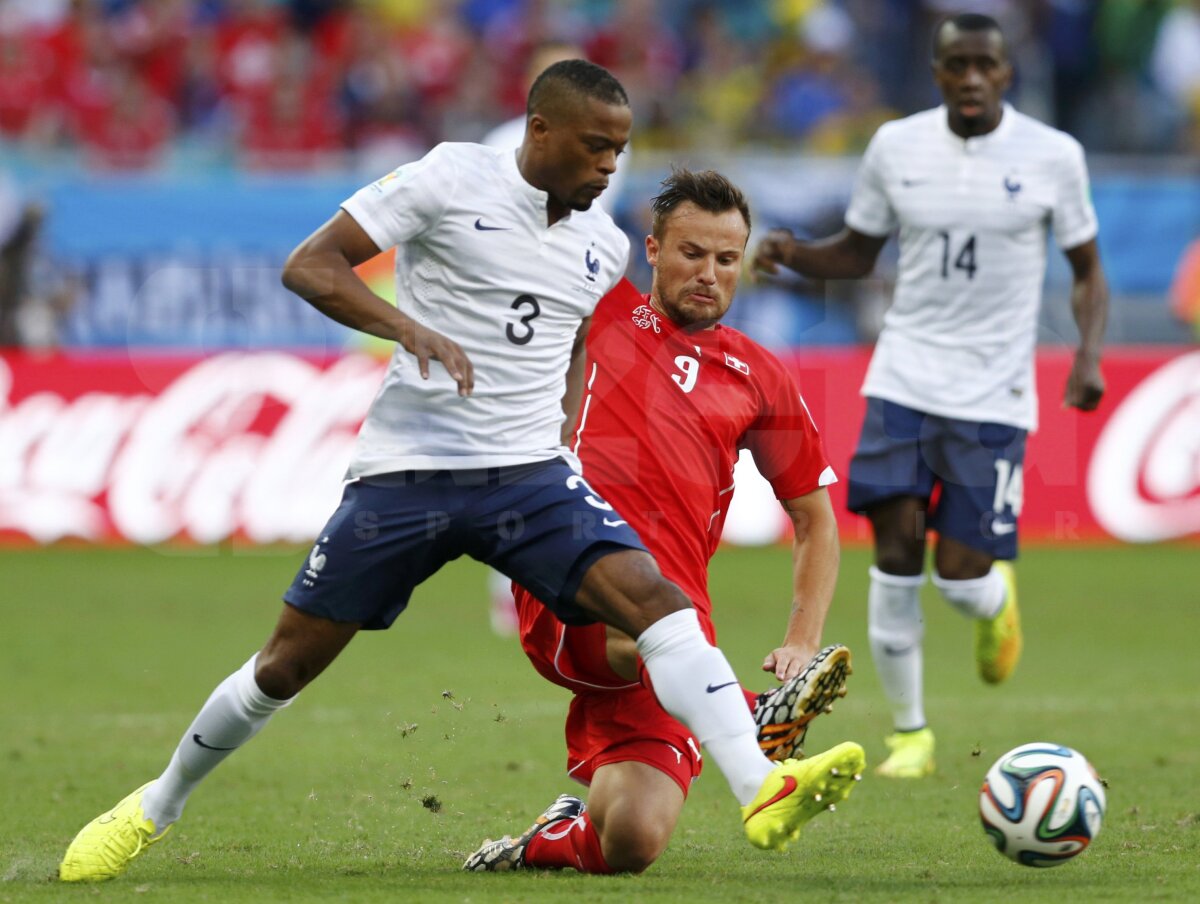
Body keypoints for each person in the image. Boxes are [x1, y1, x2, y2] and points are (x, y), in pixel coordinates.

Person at [58, 60, 864, 884]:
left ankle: (762, 785)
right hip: (411, 473)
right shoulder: (450, 177)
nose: (607, 167)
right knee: (285, 665)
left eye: (618, 151)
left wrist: (560, 439)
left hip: (526, 477)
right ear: (540, 130)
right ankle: (155, 805)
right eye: (595, 146)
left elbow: (572, 348)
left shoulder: (601, 245)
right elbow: (310, 265)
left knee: (660, 605)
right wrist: (406, 328)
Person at [463, 168, 858, 875]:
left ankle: (548, 838)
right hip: (571, 582)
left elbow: (814, 519)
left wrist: (803, 639)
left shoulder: (759, 375)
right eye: (691, 253)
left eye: (727, 259)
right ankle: (751, 718)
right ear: (651, 249)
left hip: (678, 640)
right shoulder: (604, 309)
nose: (709, 273)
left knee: (632, 839)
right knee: (638, 616)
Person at [752, 13, 1108, 779]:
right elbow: (858, 251)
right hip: (903, 381)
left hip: (994, 393)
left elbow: (1087, 270)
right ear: (938, 71)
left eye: (985, 65)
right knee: (894, 556)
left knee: (960, 576)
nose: (972, 78)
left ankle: (993, 601)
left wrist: (1086, 354)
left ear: (1006, 72)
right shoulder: (897, 146)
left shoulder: (1053, 155)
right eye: (957, 65)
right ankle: (909, 736)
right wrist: (795, 253)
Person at [482, 40, 630, 635]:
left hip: (579, 302)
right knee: (511, 454)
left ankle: (565, 580)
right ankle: (511, 591)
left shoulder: (611, 145)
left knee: (563, 447)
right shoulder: (498, 144)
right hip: (514, 316)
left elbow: (595, 224)